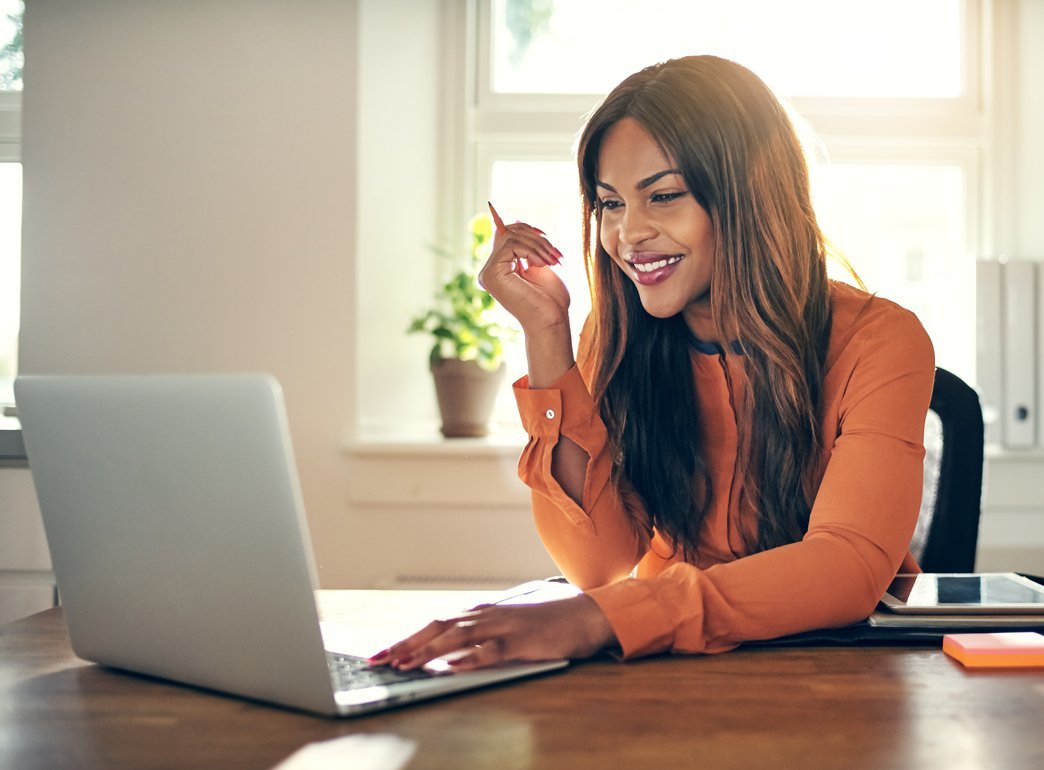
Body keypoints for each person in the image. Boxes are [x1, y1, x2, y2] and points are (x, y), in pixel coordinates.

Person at [370, 55, 934, 672]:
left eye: (662, 196)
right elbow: (597, 566)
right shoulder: (617, 336)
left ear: (751, 195)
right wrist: (546, 333)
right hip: (671, 671)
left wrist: (602, 619)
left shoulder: (881, 340)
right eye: (610, 204)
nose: (628, 233)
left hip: (836, 677)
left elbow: (846, 564)